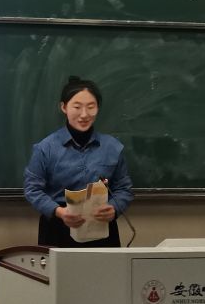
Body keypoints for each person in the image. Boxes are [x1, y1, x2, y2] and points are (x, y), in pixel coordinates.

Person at [23, 75, 133, 247]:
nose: (84, 114)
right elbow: (32, 189)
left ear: (98, 108)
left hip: (102, 227)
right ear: (64, 107)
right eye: (77, 107)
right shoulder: (46, 148)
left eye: (91, 107)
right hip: (58, 227)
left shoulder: (112, 147)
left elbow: (123, 188)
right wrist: (59, 212)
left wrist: (114, 208)